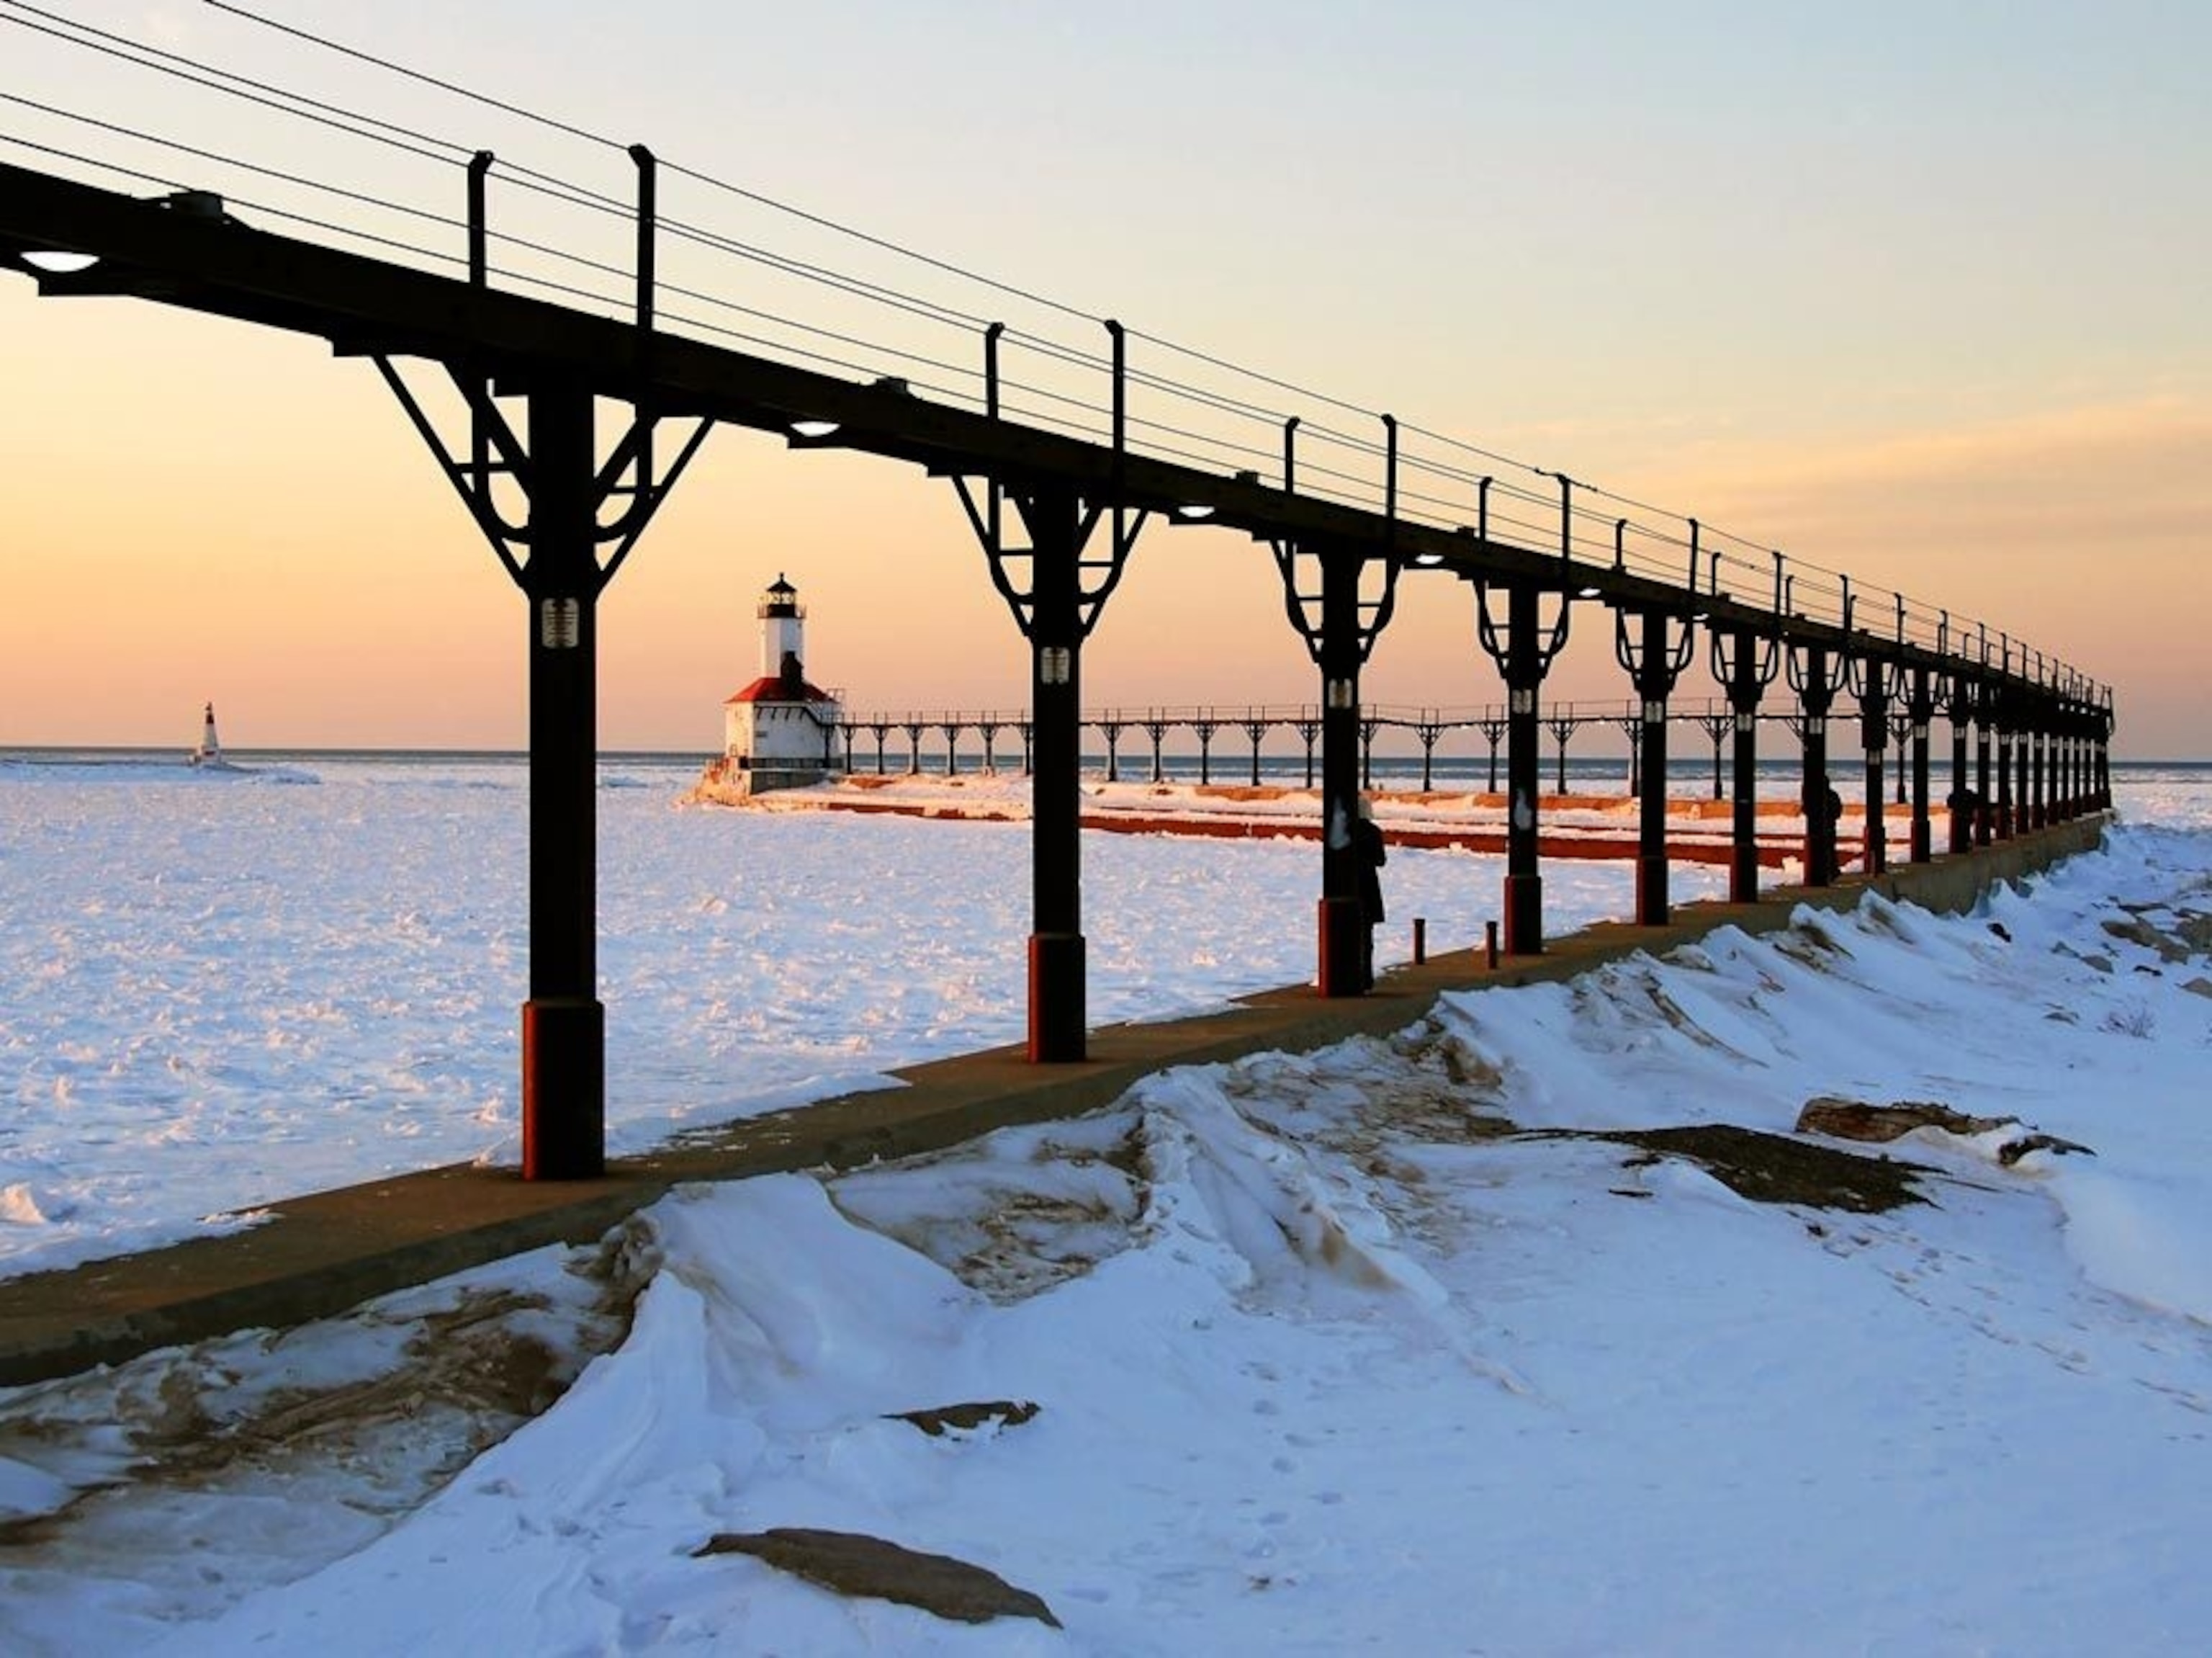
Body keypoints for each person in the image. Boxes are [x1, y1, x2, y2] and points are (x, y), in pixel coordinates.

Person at [1353, 795, 1388, 991]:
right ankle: (1366, 978)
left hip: (1346, 885)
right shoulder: (1373, 832)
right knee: (1367, 938)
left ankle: (1349, 975)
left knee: (1348, 935)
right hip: (1368, 886)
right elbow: (1380, 861)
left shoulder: (1344, 830)